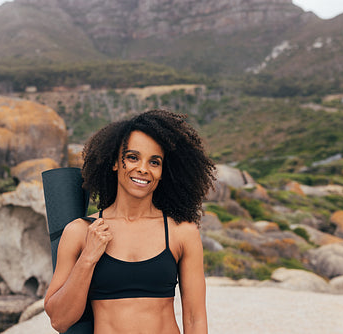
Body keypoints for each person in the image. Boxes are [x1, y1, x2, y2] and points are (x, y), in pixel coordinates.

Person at [44, 109, 215, 333]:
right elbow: (59, 320)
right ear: (115, 162)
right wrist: (88, 258)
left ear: (163, 172)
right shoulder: (80, 231)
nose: (143, 169)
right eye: (132, 157)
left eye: (154, 162)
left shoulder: (181, 232)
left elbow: (194, 319)